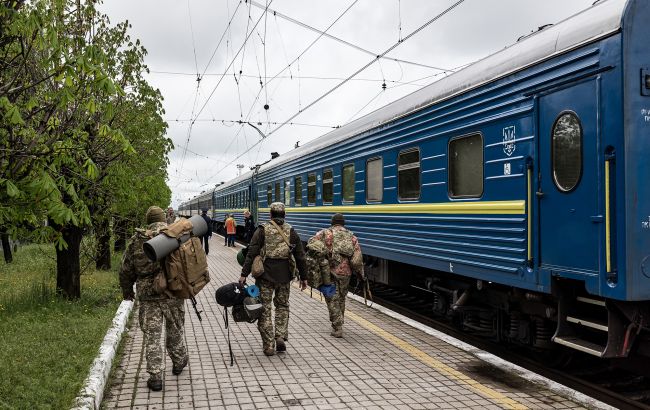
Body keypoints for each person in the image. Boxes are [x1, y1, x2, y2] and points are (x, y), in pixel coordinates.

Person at [119, 206, 188, 391]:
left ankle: (156, 376)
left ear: (148, 220)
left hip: (148, 295)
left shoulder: (136, 240)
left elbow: (126, 270)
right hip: (173, 293)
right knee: (175, 330)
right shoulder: (174, 235)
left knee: (152, 336)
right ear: (164, 219)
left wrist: (127, 291)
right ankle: (179, 361)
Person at [239, 202, 308, 356]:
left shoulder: (262, 230)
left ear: (270, 215)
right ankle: (280, 336)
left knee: (264, 308)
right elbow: (300, 256)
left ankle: (268, 344)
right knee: (282, 306)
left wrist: (244, 274)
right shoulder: (291, 231)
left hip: (265, 276)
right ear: (284, 215)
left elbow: (251, 253)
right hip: (284, 276)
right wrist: (304, 277)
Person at [311, 213, 364, 338]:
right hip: (346, 273)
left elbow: (311, 244)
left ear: (332, 223)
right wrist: (361, 275)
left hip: (329, 272)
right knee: (341, 298)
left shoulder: (325, 234)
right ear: (343, 223)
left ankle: (337, 326)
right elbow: (357, 260)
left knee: (331, 298)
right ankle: (340, 321)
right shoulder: (352, 237)